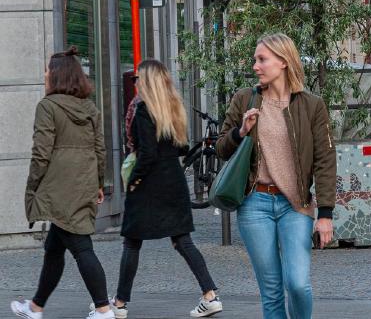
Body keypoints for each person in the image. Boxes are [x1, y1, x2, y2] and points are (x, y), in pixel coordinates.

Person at [215, 33, 336, 319]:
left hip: (295, 204)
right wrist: (241, 132)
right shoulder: (245, 99)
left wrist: (326, 214)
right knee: (271, 292)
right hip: (254, 204)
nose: (255, 66)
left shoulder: (311, 105)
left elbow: (325, 160)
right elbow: (221, 148)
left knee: (297, 284)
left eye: (262, 59)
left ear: (283, 61)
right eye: (256, 59)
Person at [112, 60, 221, 318]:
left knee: (131, 242)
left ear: (147, 81)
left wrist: (134, 180)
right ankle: (211, 295)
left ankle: (118, 304)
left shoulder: (142, 111)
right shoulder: (172, 108)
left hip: (149, 184)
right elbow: (183, 148)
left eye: (139, 78)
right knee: (183, 241)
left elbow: (147, 154)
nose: (136, 82)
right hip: (173, 181)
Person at [12, 48, 114, 319]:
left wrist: (33, 185)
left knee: (81, 247)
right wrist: (98, 183)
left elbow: (41, 152)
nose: (45, 73)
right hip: (83, 184)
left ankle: (104, 309)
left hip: (59, 188)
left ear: (56, 75)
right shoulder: (90, 108)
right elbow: (99, 150)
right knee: (54, 248)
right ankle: (35, 307)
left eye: (47, 69)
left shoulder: (48, 106)